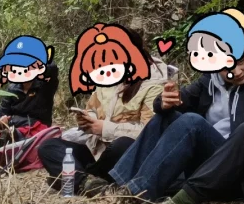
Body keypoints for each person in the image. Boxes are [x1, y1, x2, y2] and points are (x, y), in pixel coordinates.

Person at [105, 8, 244, 204]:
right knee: (166, 116)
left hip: (240, 166)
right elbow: (176, 101)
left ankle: (138, 195)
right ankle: (123, 188)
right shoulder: (208, 82)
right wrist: (164, 101)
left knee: (192, 122)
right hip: (209, 161)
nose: (237, 71)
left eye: (242, 61)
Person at [37, 23, 169, 187]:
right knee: (48, 146)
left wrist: (105, 129)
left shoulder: (154, 84)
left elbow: (152, 132)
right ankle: (87, 182)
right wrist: (87, 120)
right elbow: (92, 109)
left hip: (127, 154)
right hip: (97, 152)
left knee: (122, 145)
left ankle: (76, 178)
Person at [0, 34, 60, 173]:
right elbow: (0, 112)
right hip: (11, 124)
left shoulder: (45, 86)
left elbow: (53, 69)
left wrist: (37, 56)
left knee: (10, 135)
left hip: (35, 127)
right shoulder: (13, 88)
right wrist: (0, 120)